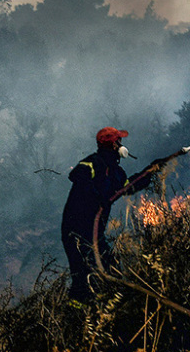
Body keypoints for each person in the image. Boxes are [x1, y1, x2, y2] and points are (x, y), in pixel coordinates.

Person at [61, 126, 158, 303]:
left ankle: (110, 304)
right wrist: (98, 198)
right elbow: (76, 175)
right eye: (119, 141)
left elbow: (129, 186)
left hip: (94, 231)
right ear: (113, 145)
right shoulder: (93, 162)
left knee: (111, 265)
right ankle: (77, 316)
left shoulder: (116, 172)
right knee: (82, 274)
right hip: (75, 229)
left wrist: (150, 171)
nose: (122, 144)